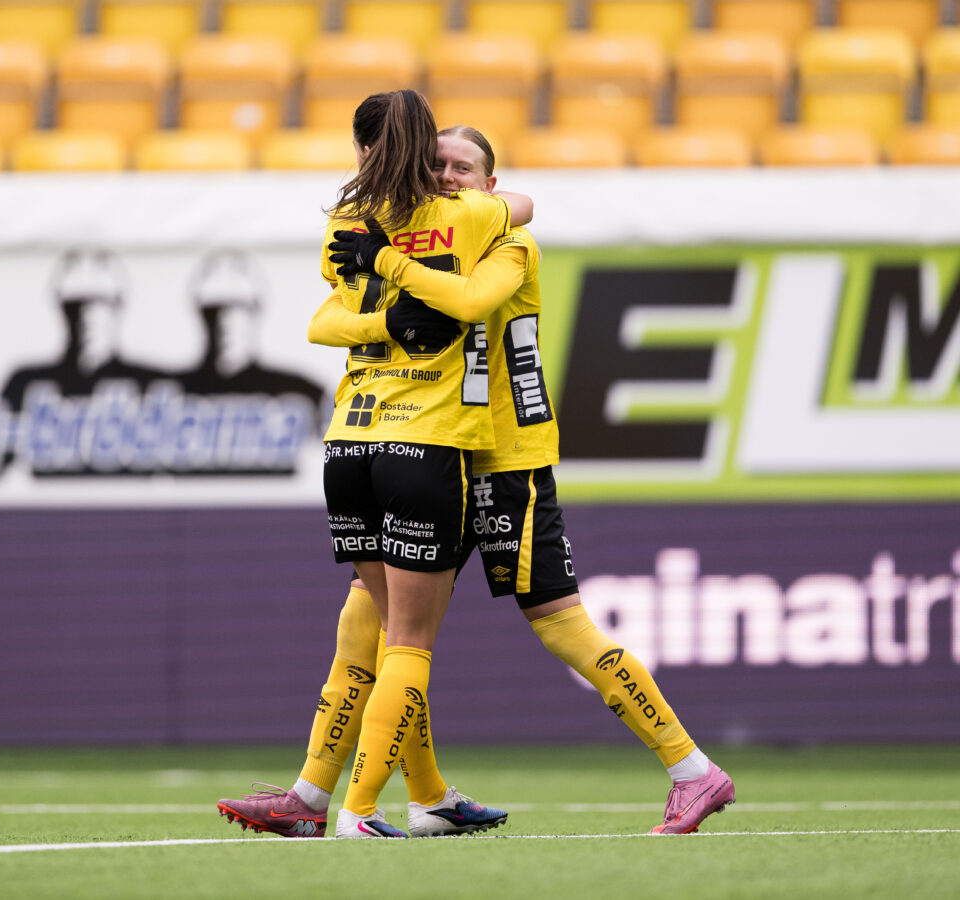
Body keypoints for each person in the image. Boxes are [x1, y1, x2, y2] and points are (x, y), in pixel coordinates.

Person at [218, 125, 735, 838]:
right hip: (438, 450)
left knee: (561, 626)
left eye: (463, 168)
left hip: (506, 459)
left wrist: (388, 262)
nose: (447, 177)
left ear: (489, 186)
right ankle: (381, 796)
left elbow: (468, 296)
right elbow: (330, 316)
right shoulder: (429, 241)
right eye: (436, 165)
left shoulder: (507, 244)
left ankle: (691, 768)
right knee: (372, 627)